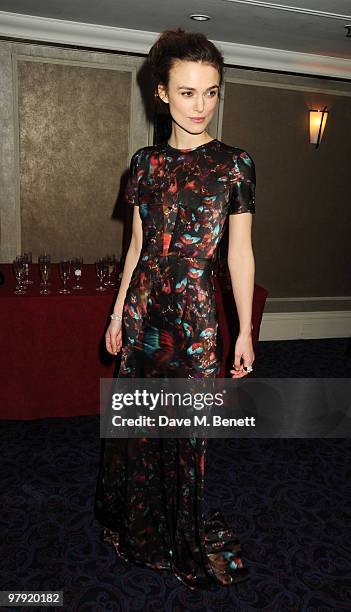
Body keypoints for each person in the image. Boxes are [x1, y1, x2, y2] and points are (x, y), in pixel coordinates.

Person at [94, 27, 256, 590]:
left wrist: (244, 331)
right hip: (144, 314)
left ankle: (183, 532)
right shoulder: (144, 164)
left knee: (188, 435)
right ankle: (141, 526)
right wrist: (117, 315)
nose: (200, 105)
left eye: (211, 92)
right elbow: (135, 248)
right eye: (187, 92)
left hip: (196, 320)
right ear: (161, 92)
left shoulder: (236, 165)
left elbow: (240, 254)